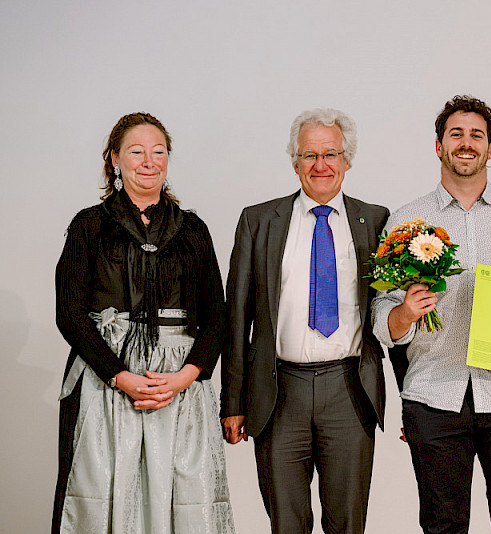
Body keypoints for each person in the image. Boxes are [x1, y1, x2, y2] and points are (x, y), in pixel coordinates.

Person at [372, 95, 491, 534]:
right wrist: (404, 313)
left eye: (477, 135)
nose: (466, 143)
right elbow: (381, 310)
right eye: (456, 134)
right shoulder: (406, 220)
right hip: (435, 396)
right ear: (439, 147)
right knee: (442, 527)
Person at [53, 112, 234, 533]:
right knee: (104, 492)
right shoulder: (89, 226)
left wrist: (186, 376)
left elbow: (217, 315)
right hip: (107, 380)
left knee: (183, 497)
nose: (148, 161)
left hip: (180, 387)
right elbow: (70, 312)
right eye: (136, 151)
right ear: (115, 159)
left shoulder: (192, 229)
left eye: (159, 151)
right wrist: (119, 376)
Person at [220, 108, 389, 534]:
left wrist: (414, 399)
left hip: (349, 390)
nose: (321, 165)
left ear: (347, 160)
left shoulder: (377, 221)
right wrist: (233, 402)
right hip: (279, 393)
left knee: (347, 523)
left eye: (331, 154)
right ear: (294, 162)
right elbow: (236, 318)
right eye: (309, 155)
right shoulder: (258, 222)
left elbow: (391, 312)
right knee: (286, 522)